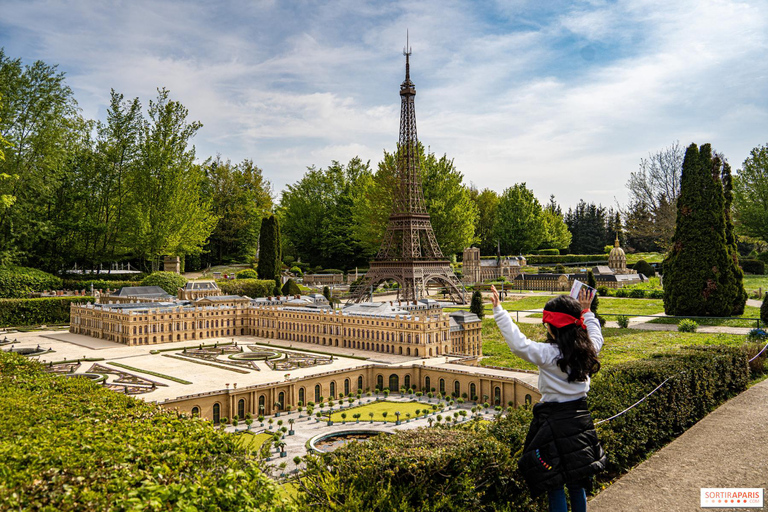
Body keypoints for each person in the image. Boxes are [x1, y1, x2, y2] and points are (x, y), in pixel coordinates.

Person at [490, 285, 606, 512]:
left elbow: (519, 344)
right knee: (576, 481)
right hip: (580, 418)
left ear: (552, 328)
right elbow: (595, 333)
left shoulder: (548, 354)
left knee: (554, 482)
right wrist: (587, 311)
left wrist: (499, 310)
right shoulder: (588, 349)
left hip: (552, 422)